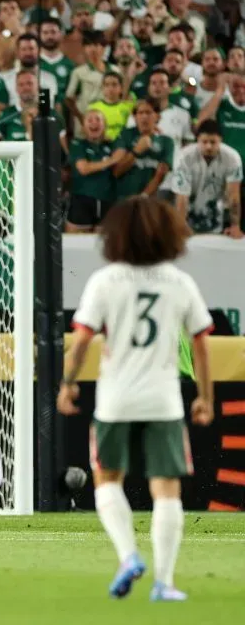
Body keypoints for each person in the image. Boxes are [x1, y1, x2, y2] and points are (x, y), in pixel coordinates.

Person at [57, 196, 214, 602]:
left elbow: (81, 341)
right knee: (167, 490)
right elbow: (201, 344)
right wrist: (205, 397)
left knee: (107, 481)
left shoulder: (106, 281)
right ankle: (164, 582)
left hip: (116, 399)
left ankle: (128, 556)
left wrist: (68, 383)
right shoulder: (180, 283)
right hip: (164, 401)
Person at [169, 120, 244, 238]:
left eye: (213, 142)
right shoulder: (183, 157)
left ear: (221, 140)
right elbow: (182, 198)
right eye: (204, 142)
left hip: (215, 216)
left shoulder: (232, 158)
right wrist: (180, 227)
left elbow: (233, 196)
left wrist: (235, 226)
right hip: (187, 214)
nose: (208, 146)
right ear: (197, 140)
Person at [67, 109, 119, 233]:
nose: (94, 123)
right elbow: (83, 168)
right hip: (82, 200)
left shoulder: (112, 145)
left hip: (108, 200)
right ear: (83, 126)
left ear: (104, 125)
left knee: (104, 244)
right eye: (89, 120)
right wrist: (111, 161)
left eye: (98, 119)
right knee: (77, 243)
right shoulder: (77, 144)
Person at [112, 98, 175, 199]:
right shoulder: (124, 135)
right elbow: (116, 171)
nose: (144, 116)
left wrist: (143, 196)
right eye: (140, 113)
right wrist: (136, 151)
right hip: (122, 200)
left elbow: (160, 175)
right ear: (134, 117)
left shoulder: (166, 142)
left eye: (148, 112)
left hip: (149, 200)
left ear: (157, 116)